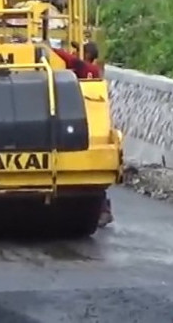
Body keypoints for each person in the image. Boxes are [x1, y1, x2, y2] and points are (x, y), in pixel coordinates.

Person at [52, 41, 114, 229]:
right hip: (87, 119)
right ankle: (104, 209)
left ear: (86, 54)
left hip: (75, 113)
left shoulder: (81, 67)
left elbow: (68, 58)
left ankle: (104, 209)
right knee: (95, 183)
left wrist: (49, 48)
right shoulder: (95, 71)